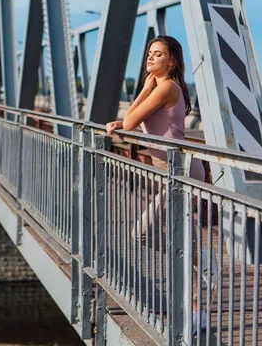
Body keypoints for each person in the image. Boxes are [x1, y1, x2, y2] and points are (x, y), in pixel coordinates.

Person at [105, 35, 208, 334]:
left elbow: (132, 119)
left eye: (158, 54)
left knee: (142, 233)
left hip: (182, 171)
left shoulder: (166, 87)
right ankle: (197, 311)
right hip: (172, 171)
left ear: (171, 61)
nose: (150, 58)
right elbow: (130, 121)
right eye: (149, 53)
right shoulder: (163, 87)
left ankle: (201, 262)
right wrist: (122, 120)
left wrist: (144, 90)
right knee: (183, 239)